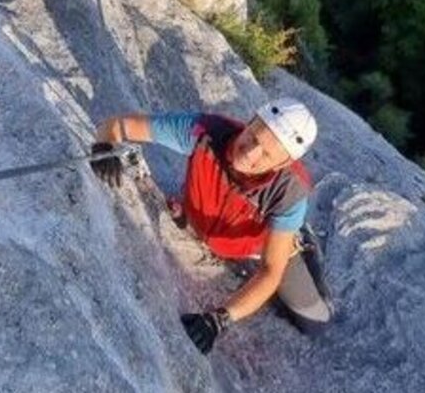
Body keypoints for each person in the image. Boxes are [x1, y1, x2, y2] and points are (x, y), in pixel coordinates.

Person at [89, 98, 332, 354]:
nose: (249, 153)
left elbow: (271, 270)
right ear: (249, 122)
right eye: (252, 137)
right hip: (207, 223)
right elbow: (117, 125)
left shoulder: (288, 193)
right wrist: (104, 145)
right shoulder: (205, 132)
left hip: (263, 244)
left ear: (283, 164)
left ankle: (302, 240)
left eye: (266, 154)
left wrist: (219, 319)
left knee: (315, 322)